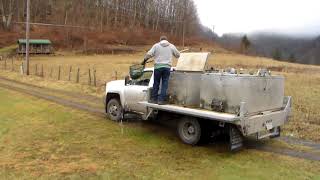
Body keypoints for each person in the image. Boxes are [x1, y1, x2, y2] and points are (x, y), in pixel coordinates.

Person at [142, 36, 180, 105]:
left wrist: (144, 60)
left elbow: (149, 54)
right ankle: (161, 100)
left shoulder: (156, 46)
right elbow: (178, 55)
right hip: (167, 68)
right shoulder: (171, 46)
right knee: (164, 84)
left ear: (160, 40)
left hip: (157, 67)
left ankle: (154, 99)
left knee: (156, 83)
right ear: (166, 40)